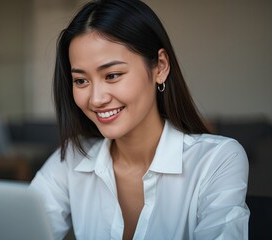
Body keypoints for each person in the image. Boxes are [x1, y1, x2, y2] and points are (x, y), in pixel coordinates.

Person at [30, 0, 250, 239]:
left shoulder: (216, 160)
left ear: (160, 67)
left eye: (112, 75)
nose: (96, 99)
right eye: (81, 81)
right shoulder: (70, 160)